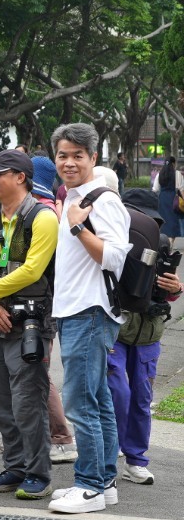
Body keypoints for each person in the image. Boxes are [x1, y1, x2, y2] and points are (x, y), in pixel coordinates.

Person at [49, 122, 131, 514]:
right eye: (63, 155)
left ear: (93, 158)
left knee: (80, 402)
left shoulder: (102, 201)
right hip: (73, 309)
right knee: (96, 400)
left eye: (77, 155)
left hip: (91, 310)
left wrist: (80, 225)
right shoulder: (71, 197)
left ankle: (90, 485)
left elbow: (115, 257)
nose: (69, 162)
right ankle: (105, 481)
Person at [0, 150, 59, 499]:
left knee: (28, 401)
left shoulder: (43, 217)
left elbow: (33, 270)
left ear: (20, 177)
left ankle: (38, 473)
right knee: (2, 401)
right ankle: (16, 468)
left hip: (30, 323)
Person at [110, 189, 181, 485]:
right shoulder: (111, 241)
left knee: (141, 397)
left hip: (149, 333)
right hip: (115, 329)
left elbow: (170, 296)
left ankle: (136, 459)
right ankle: (107, 452)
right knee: (118, 393)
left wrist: (174, 288)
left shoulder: (162, 245)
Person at [157, 156, 180, 247]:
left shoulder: (160, 174)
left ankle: (164, 240)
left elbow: (155, 188)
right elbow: (180, 187)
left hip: (162, 198)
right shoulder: (176, 173)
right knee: (173, 219)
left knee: (163, 218)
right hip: (172, 198)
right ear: (173, 163)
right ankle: (171, 241)